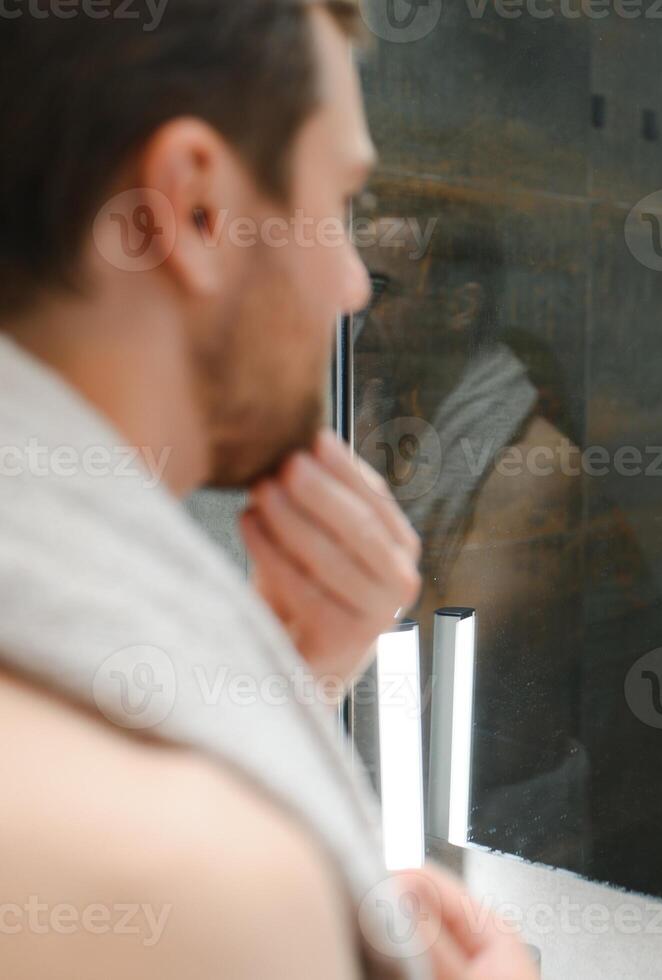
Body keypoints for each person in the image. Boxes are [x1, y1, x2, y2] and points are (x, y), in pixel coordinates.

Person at [0, 2, 537, 977]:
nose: (352, 286)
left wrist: (286, 674)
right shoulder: (202, 879)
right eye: (338, 207)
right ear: (195, 208)